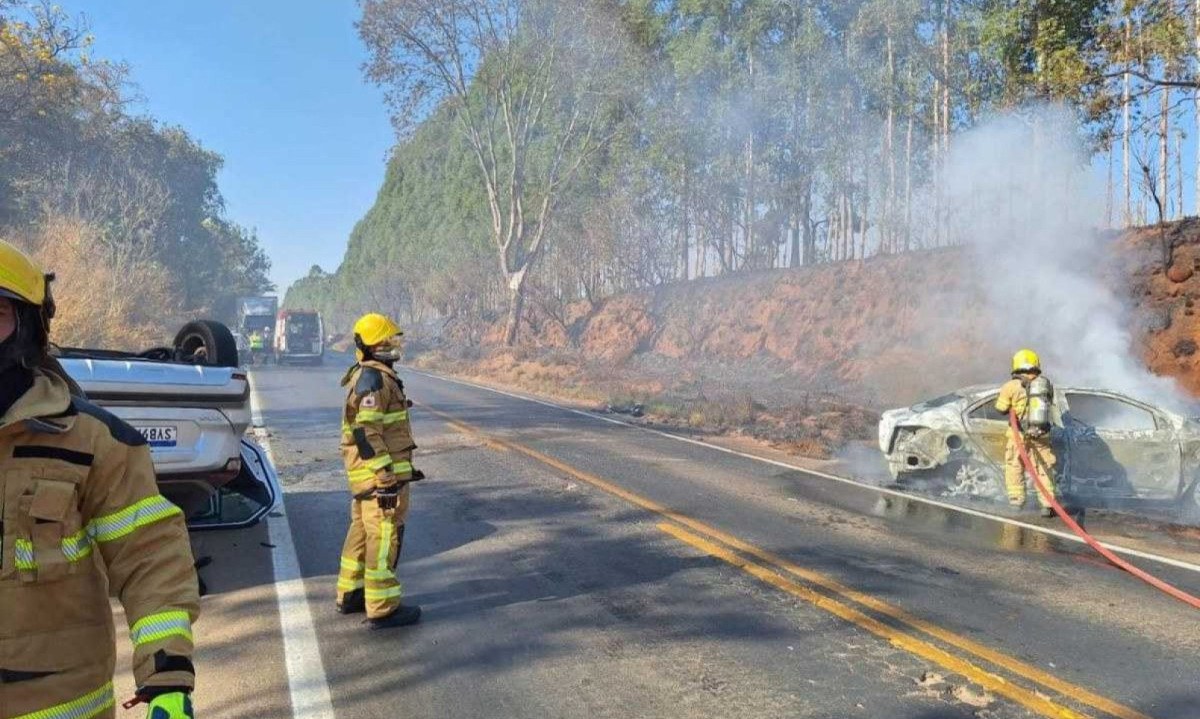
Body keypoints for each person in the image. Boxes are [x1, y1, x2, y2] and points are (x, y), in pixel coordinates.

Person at [0, 239, 199, 719]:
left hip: (55, 702)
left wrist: (166, 674)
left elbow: (149, 558)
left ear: (29, 327)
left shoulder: (96, 442)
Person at [335, 312, 422, 629]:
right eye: (384, 341)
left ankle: (351, 593)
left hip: (367, 478)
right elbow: (366, 433)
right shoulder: (373, 380)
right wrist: (386, 477)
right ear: (369, 346)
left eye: (392, 340)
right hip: (379, 480)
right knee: (384, 537)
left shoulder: (375, 375)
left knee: (361, 531)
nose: (392, 346)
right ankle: (382, 606)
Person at [995, 349, 1058, 518]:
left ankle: (1016, 502)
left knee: (1014, 466)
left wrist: (1014, 405)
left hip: (1019, 435)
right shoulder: (1044, 385)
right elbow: (1050, 404)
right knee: (1043, 468)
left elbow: (1000, 409)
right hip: (1041, 434)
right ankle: (1047, 505)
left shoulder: (1010, 386)